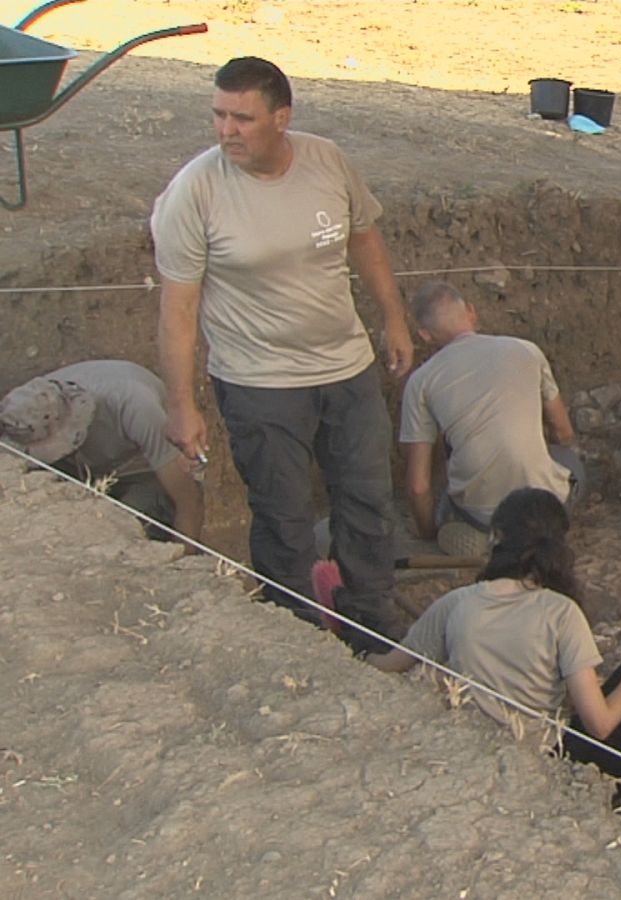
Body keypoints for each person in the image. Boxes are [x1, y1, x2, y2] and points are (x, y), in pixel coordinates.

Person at [151, 56, 413, 651]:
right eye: (218, 115)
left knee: (368, 502)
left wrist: (393, 318)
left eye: (242, 118)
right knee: (283, 516)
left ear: (281, 118)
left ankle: (372, 625)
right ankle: (297, 640)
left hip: (346, 370)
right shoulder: (196, 192)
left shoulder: (327, 162)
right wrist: (181, 405)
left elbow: (364, 239)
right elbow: (178, 310)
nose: (226, 131)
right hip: (258, 383)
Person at [367, 488, 621, 783]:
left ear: (496, 537)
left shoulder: (456, 603)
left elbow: (389, 664)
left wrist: (355, 646)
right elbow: (600, 724)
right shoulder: (561, 613)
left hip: (472, 748)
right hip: (546, 763)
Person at [399, 281, 583, 558]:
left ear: (424, 335)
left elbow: (418, 486)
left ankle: (485, 538)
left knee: (450, 490)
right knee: (569, 462)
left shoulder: (421, 381)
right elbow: (564, 432)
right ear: (471, 312)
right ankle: (541, 529)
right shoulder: (526, 350)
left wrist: (427, 533)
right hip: (543, 503)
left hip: (481, 516)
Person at [0, 361, 204, 546]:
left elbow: (188, 501)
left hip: (145, 473)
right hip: (84, 470)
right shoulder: (25, 410)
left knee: (126, 531)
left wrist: (185, 561)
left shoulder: (136, 406)